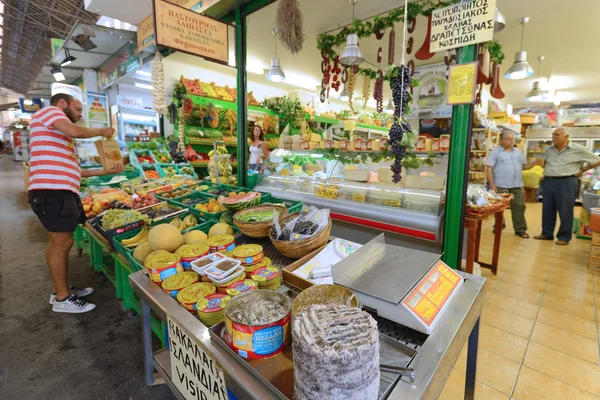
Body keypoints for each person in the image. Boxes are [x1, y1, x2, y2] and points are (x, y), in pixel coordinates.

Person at [28, 93, 123, 313]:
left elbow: (76, 170)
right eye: (78, 109)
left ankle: (60, 290)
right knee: (61, 243)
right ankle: (62, 299)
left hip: (59, 191)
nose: (79, 115)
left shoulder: (59, 135)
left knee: (61, 242)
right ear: (63, 103)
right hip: (52, 191)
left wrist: (103, 171)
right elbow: (74, 130)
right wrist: (101, 131)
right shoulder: (51, 112)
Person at [535, 127, 600, 245]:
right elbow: (546, 164)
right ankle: (546, 233)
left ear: (566, 136)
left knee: (565, 210)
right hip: (549, 181)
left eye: (557, 135)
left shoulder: (578, 149)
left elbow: (597, 160)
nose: (553, 137)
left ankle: (564, 237)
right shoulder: (549, 150)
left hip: (567, 181)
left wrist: (583, 170)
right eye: (553, 134)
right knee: (547, 209)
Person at [486, 132, 540, 238]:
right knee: (498, 208)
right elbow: (489, 168)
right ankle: (499, 226)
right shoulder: (495, 152)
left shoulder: (518, 152)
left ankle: (520, 229)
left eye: (513, 139)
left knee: (519, 207)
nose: (512, 141)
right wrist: (492, 184)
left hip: (517, 185)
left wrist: (534, 163)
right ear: (501, 140)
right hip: (501, 184)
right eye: (508, 139)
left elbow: (524, 166)